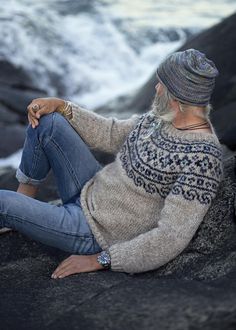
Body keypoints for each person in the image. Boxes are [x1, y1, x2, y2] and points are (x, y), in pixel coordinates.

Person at [0, 49, 223, 279]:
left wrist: (101, 259)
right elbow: (110, 133)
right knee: (49, 121)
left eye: (161, 84)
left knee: (2, 203)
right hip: (90, 190)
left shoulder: (202, 159)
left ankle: (15, 211)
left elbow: (171, 237)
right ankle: (24, 199)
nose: (156, 89)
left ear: (177, 96)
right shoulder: (160, 120)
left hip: (94, 233)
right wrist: (62, 106)